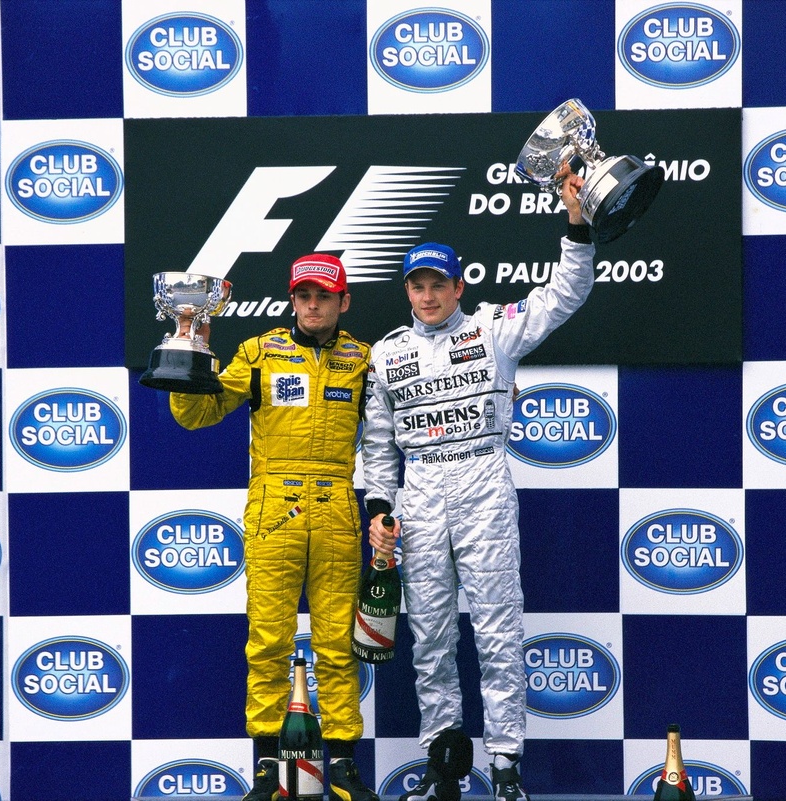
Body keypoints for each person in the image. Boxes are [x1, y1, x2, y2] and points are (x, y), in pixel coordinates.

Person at [361, 165, 595, 801]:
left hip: (482, 477)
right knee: (430, 635)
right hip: (419, 490)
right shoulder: (386, 353)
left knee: (497, 626)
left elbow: (566, 293)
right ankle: (443, 765)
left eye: (438, 284)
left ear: (458, 286)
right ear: (407, 291)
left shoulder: (494, 329)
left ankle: (508, 766)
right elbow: (377, 445)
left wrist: (576, 222)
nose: (428, 296)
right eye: (417, 286)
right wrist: (380, 508)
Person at [169, 254, 379, 801]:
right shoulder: (259, 352)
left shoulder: (364, 359)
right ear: (293, 299)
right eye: (304, 295)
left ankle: (344, 767)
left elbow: (395, 430)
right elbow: (194, 415)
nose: (313, 305)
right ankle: (267, 767)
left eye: (324, 296)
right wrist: (192, 351)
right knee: (267, 641)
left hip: (336, 507)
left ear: (343, 301)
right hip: (273, 507)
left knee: (338, 643)